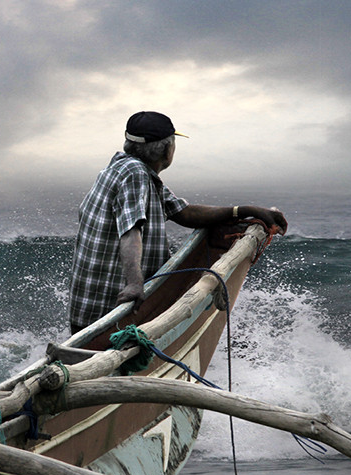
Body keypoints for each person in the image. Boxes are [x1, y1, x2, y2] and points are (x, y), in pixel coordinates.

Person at [68, 111, 288, 334]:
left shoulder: (126, 168)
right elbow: (130, 231)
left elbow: (184, 213)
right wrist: (135, 284)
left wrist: (244, 211)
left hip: (90, 313)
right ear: (166, 149)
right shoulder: (135, 174)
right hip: (111, 313)